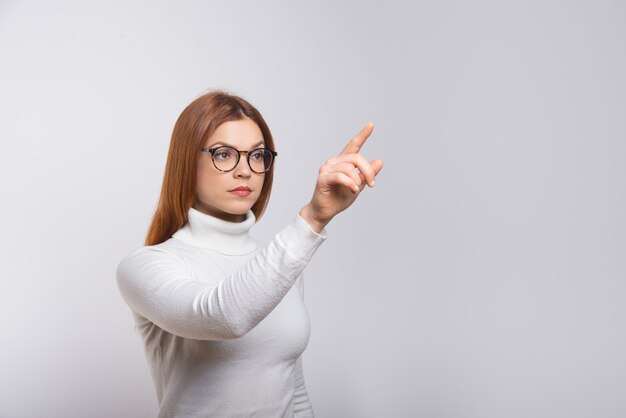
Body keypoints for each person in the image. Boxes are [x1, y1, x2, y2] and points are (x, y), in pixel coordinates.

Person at [115, 90, 383, 417]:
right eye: (224, 154)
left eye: (257, 156)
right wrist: (313, 218)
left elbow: (293, 390)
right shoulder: (145, 266)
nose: (245, 170)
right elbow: (224, 317)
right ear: (187, 161)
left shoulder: (279, 263)